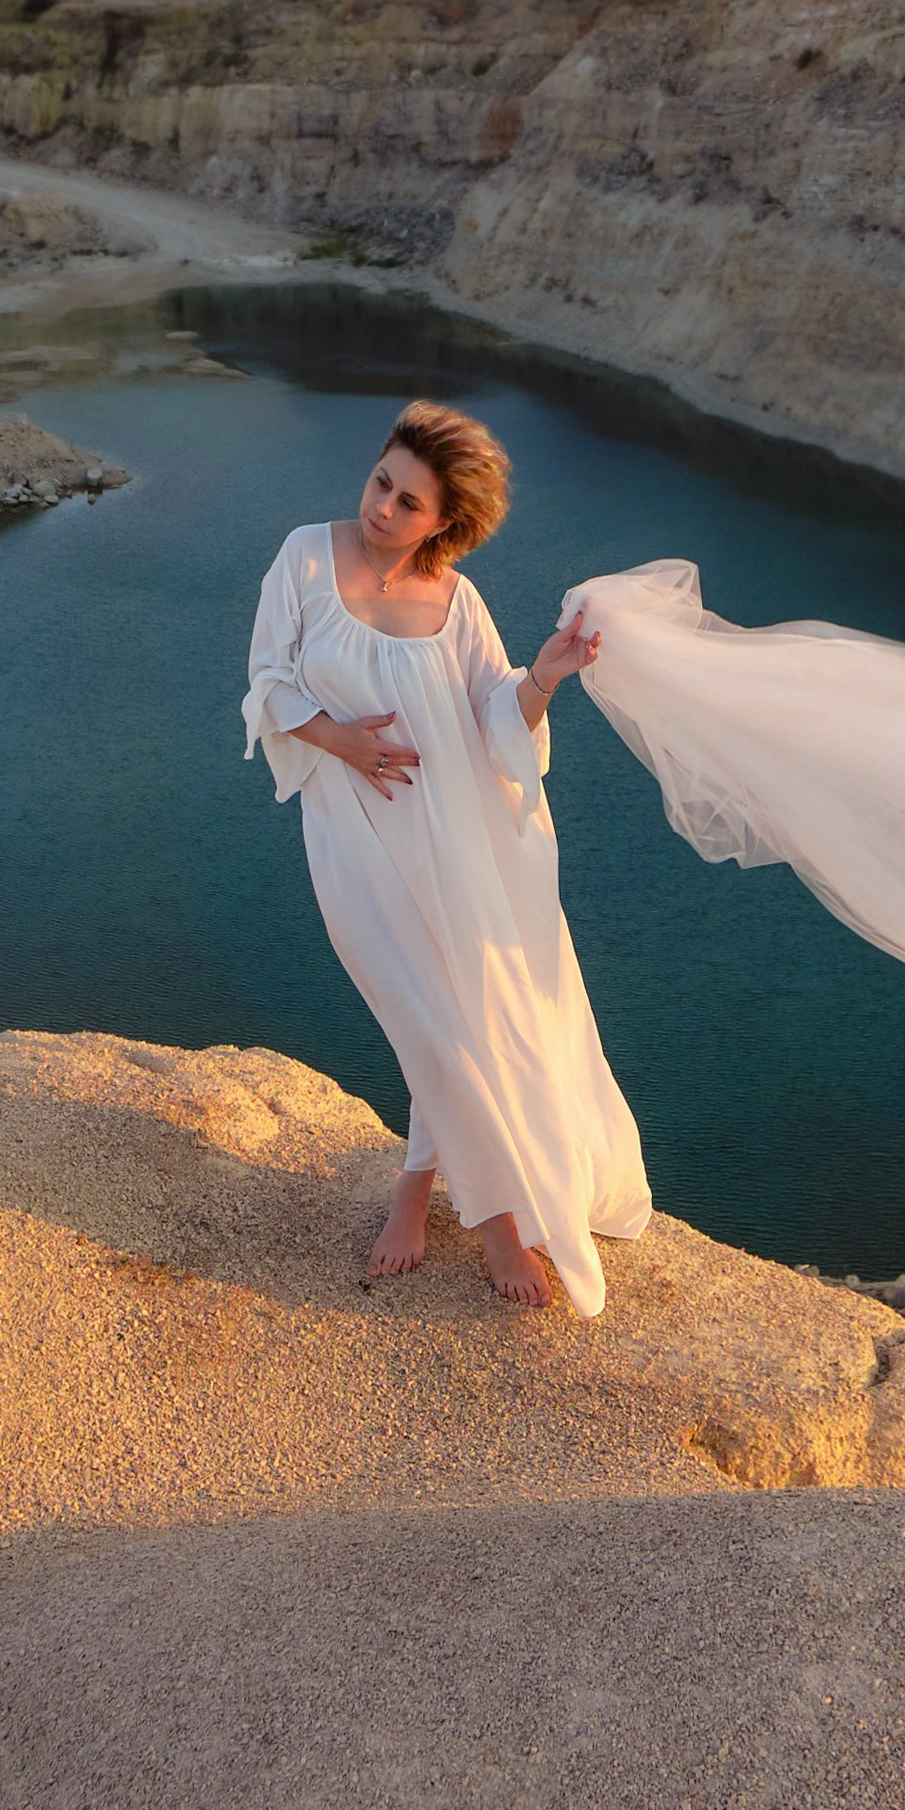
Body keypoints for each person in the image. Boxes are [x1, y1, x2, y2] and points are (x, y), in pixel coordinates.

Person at [243, 401, 650, 1316]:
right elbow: (266, 683)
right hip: (357, 833)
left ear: (446, 524)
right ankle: (492, 1216)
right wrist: (341, 742)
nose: (383, 508)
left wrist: (544, 675)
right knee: (426, 1016)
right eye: (383, 481)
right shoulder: (306, 555)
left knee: (465, 1015)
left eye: (409, 502)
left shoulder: (458, 599)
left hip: (464, 837)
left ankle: (432, 1197)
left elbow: (494, 717)